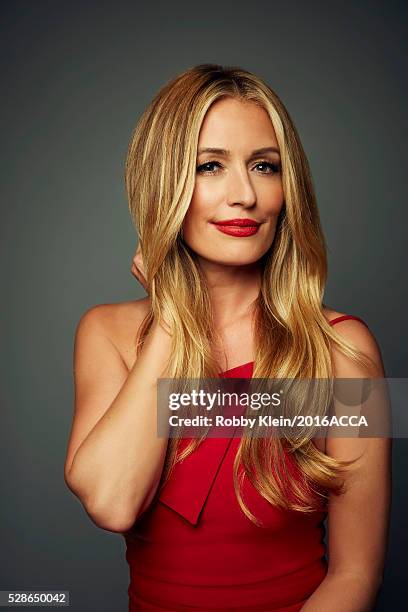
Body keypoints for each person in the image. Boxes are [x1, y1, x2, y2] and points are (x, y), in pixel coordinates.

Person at [64, 64, 391, 611]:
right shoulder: (107, 331)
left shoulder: (344, 348)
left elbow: (356, 573)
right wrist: (172, 317)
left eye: (265, 167)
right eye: (209, 166)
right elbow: (112, 504)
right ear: (165, 182)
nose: (245, 195)